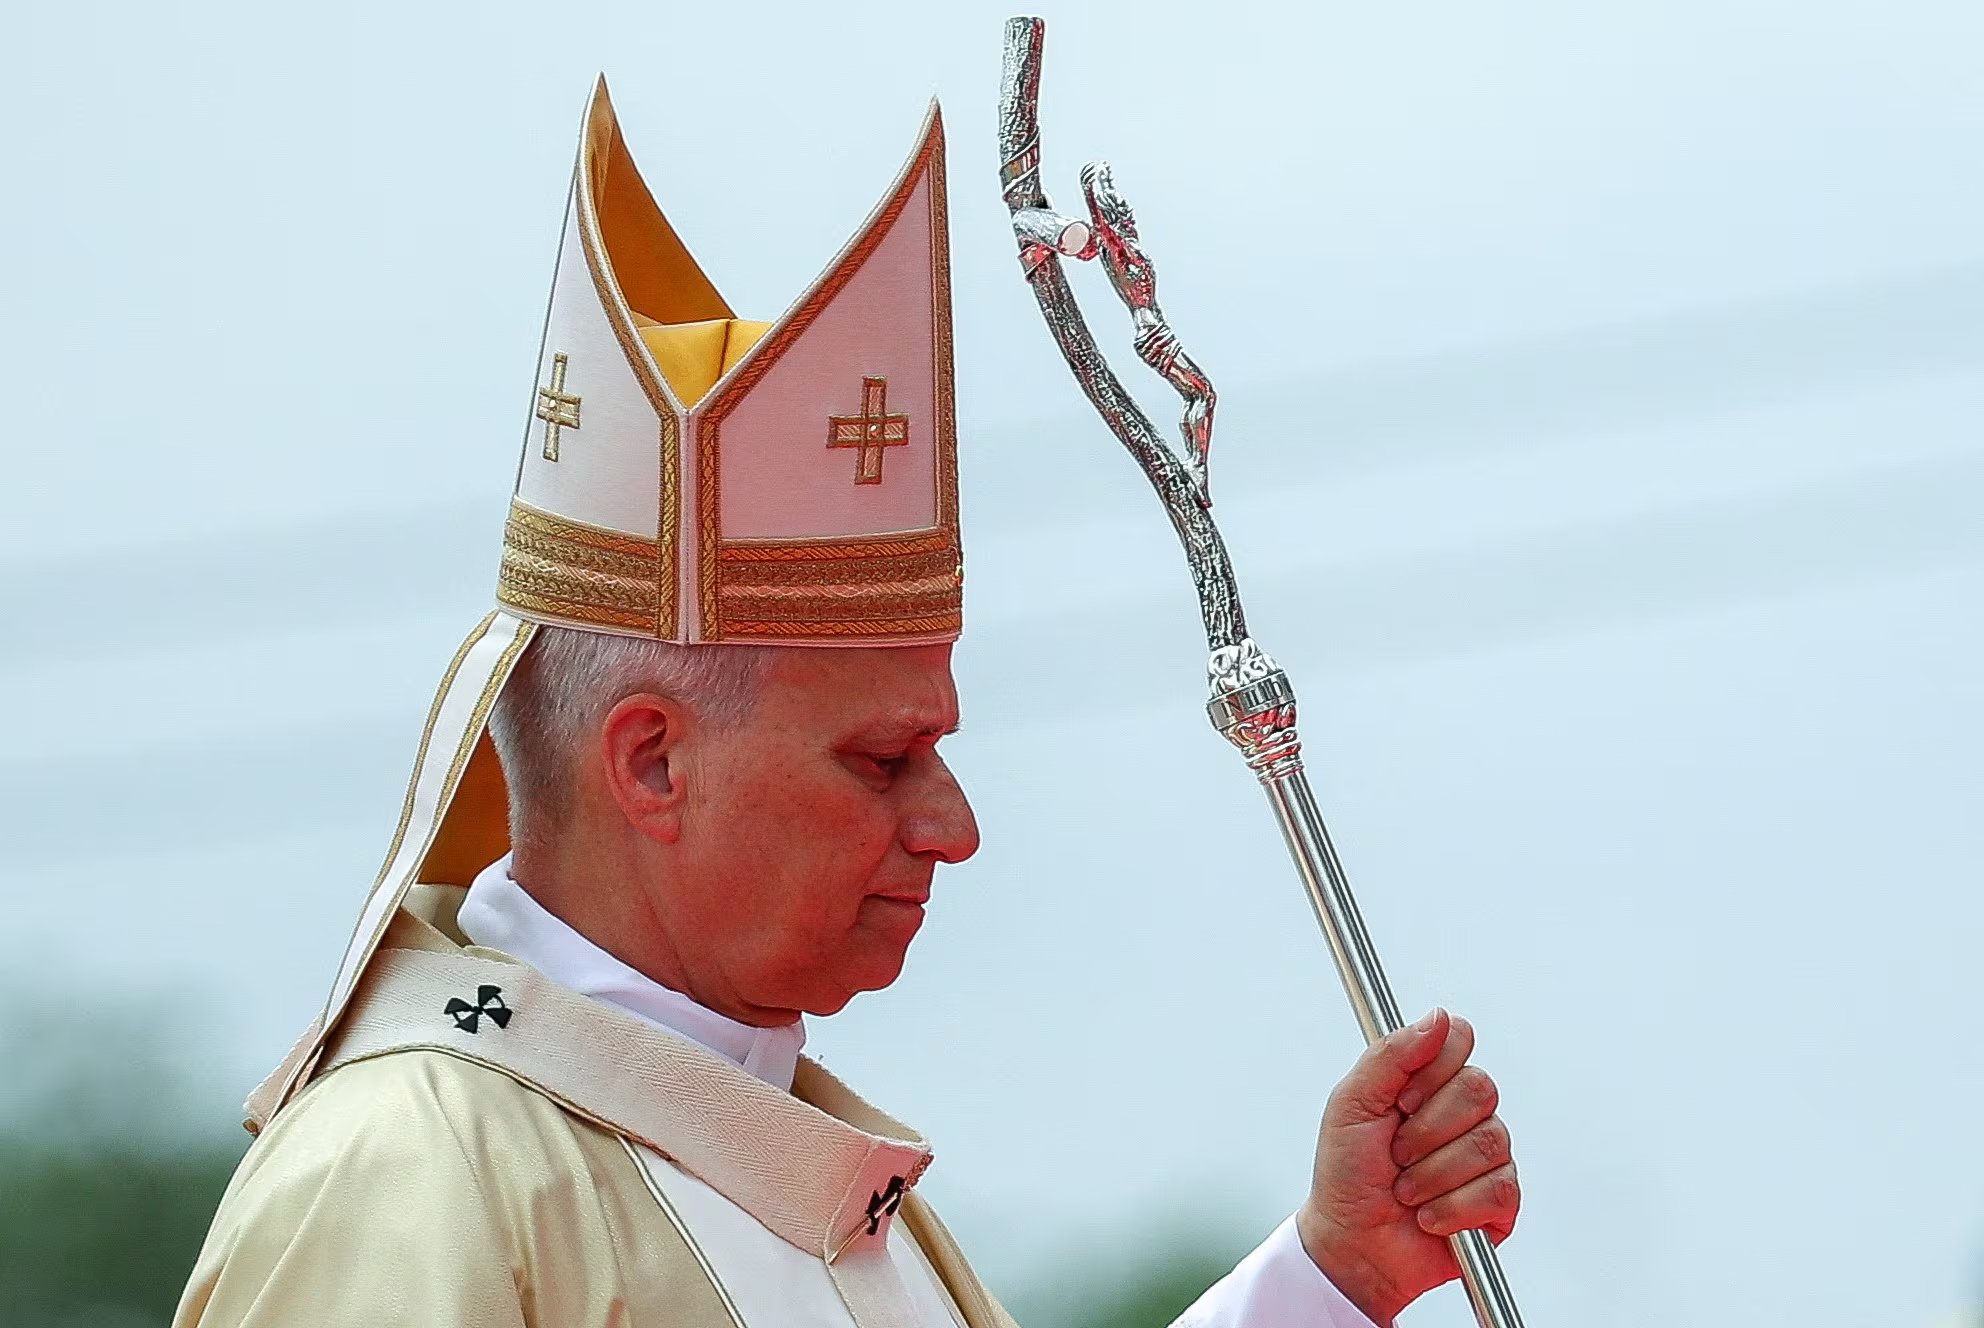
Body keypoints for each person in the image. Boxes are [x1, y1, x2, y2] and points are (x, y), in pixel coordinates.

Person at [175, 77, 1519, 1328]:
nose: (954, 827)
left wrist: (1329, 1276)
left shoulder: (827, 1189)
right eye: (884, 758)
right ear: (651, 765)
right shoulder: (411, 1176)